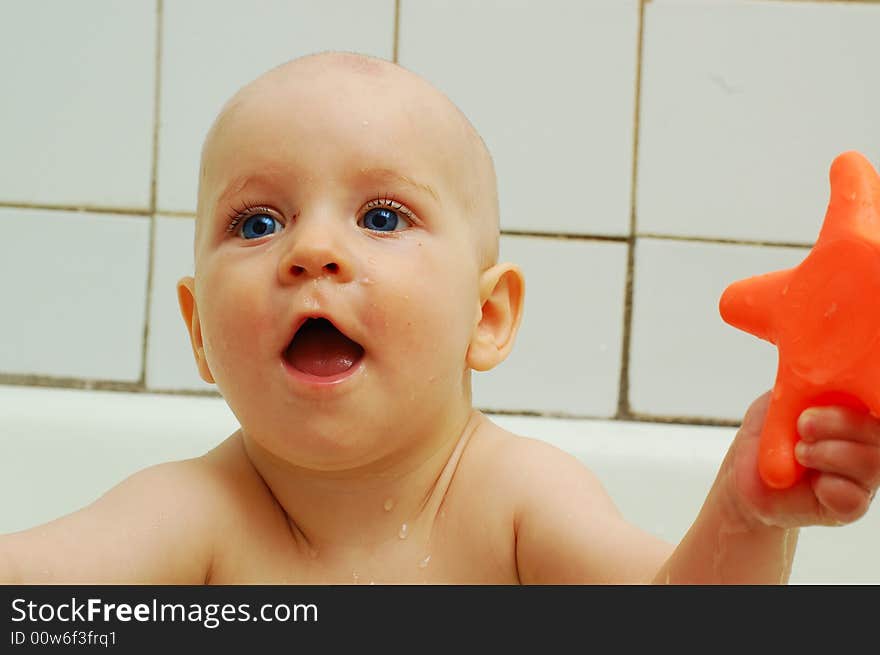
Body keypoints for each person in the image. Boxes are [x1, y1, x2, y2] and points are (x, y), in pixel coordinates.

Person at [2, 51, 878, 584]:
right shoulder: (190, 514)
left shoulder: (514, 502)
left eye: (382, 216)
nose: (310, 250)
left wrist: (745, 516)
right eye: (256, 222)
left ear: (487, 315)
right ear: (198, 332)